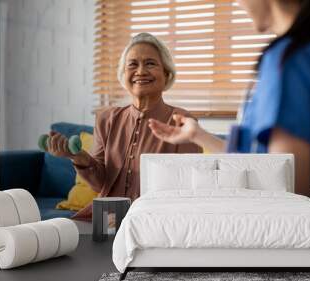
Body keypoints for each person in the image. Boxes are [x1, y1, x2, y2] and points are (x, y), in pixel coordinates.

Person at [148, 0, 310, 233]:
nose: (237, 3)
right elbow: (259, 162)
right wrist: (197, 135)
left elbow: (290, 187)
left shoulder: (290, 60)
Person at [46, 33, 202, 220]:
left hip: (156, 220)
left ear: (167, 73)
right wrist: (77, 157)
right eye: (132, 64)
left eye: (150, 63)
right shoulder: (106, 118)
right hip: (106, 219)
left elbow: (189, 190)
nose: (141, 71)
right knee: (52, 240)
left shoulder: (183, 121)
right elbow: (100, 184)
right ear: (123, 75)